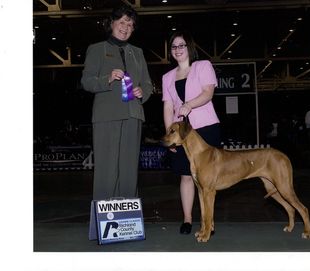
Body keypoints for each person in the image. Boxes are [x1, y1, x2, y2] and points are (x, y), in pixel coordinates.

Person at [81, 4, 153, 200]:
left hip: (133, 115)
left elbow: (148, 84)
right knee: (106, 168)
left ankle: (127, 221)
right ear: (111, 23)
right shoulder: (97, 49)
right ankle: (104, 220)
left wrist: (142, 92)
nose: (125, 27)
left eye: (130, 24)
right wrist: (108, 78)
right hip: (107, 117)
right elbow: (86, 81)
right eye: (121, 22)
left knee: (129, 169)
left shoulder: (137, 53)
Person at [162, 30, 221, 234]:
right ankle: (187, 220)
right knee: (186, 176)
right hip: (182, 134)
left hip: (205, 128)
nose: (177, 49)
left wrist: (189, 105)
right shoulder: (167, 77)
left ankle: (209, 223)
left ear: (189, 48)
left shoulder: (203, 66)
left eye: (181, 45)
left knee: (207, 181)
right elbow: (168, 107)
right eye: (174, 47)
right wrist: (170, 135)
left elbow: (208, 93)